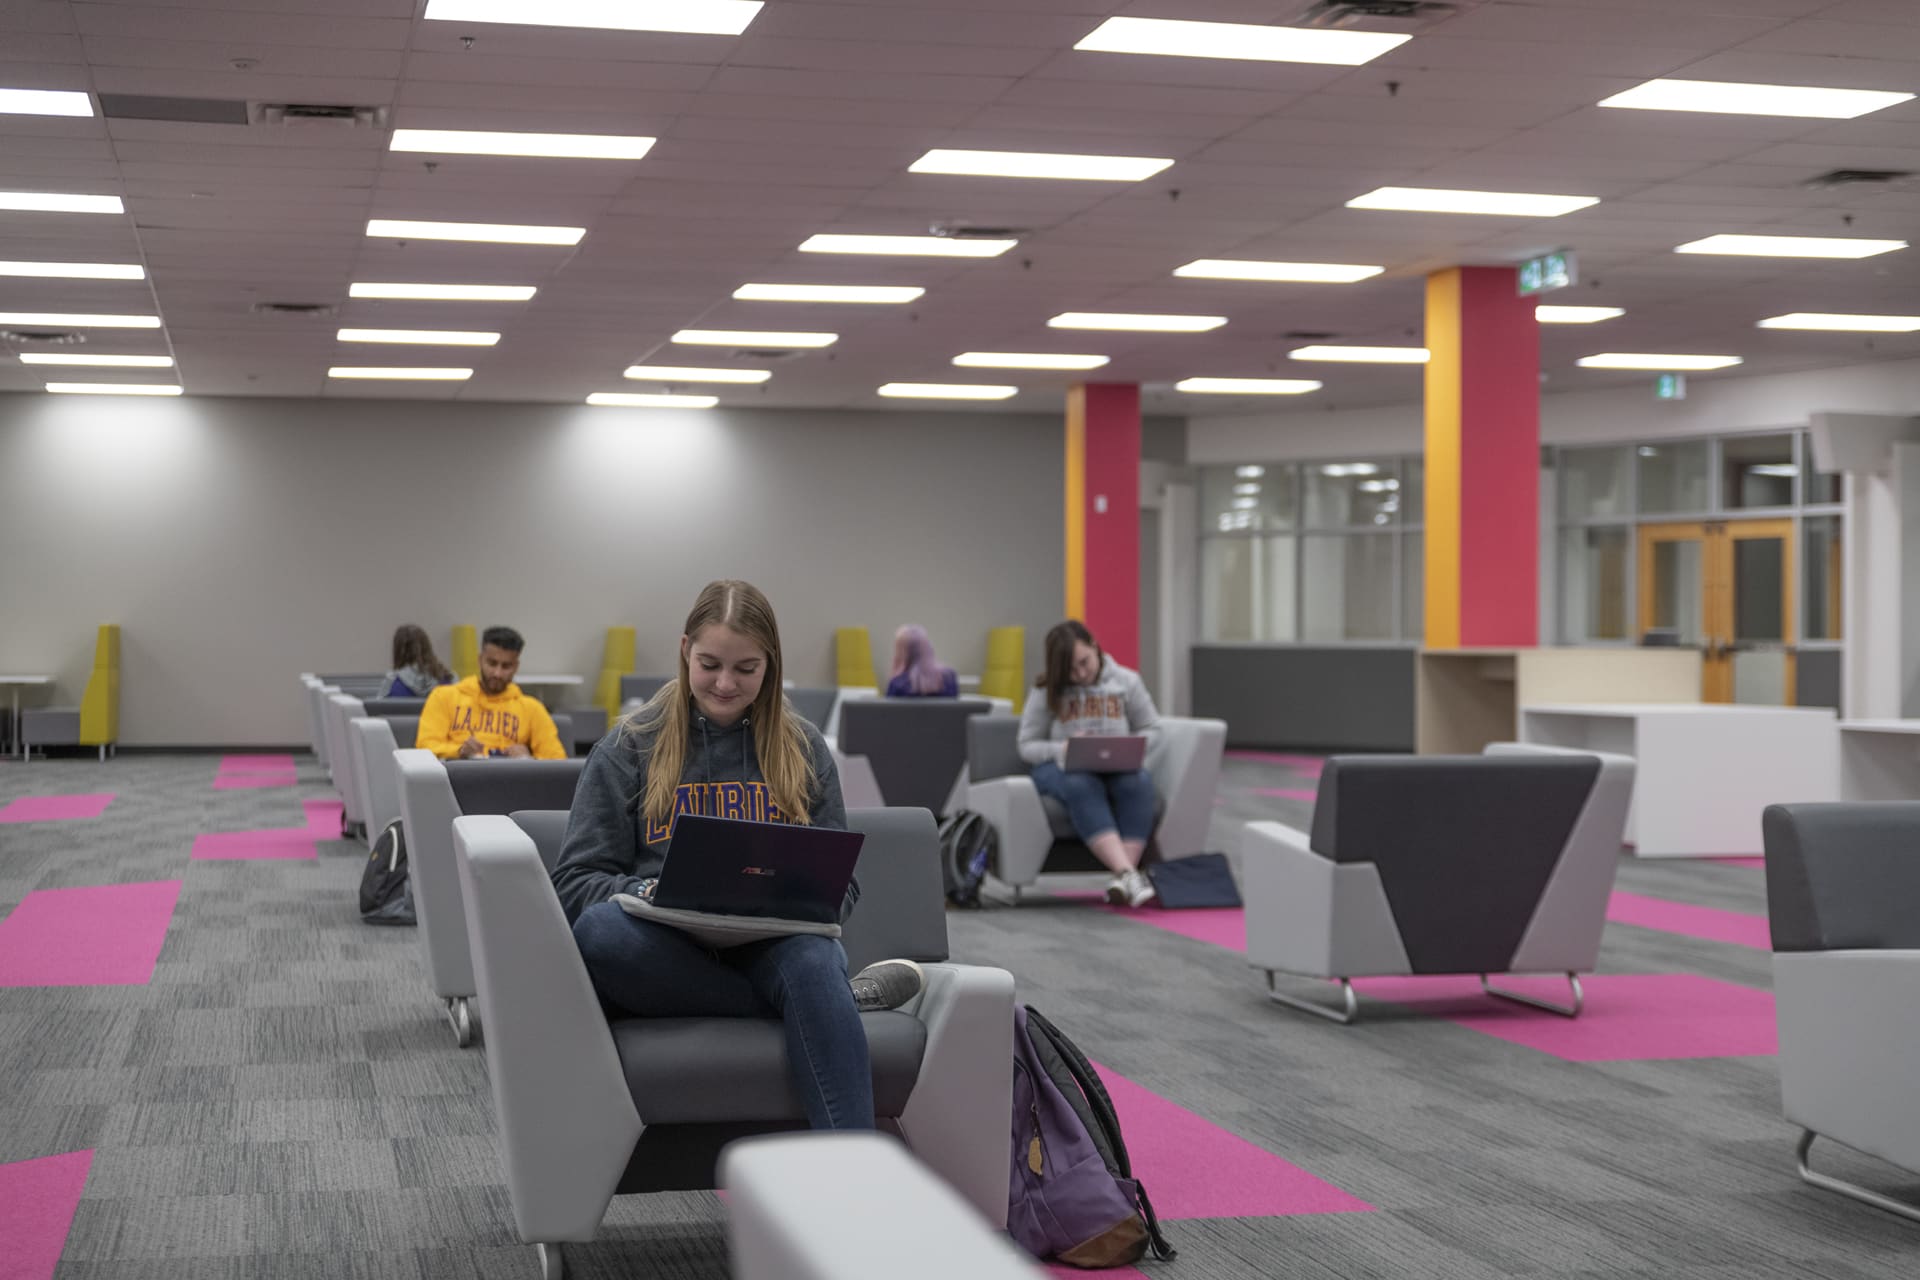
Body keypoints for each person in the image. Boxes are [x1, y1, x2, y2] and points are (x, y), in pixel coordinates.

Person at [551, 580, 926, 1131]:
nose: (725, 683)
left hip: (773, 943)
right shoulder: (629, 746)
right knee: (601, 935)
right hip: (663, 947)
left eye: (746, 669)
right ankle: (835, 1002)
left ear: (769, 665)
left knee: (813, 961)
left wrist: (804, 898)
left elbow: (842, 889)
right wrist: (643, 892)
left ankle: (858, 1177)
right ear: (684, 652)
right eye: (709, 664)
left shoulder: (803, 747)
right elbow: (575, 882)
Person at [1018, 619, 1162, 908]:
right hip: (1061, 769)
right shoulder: (1046, 690)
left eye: (1085, 662)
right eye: (1071, 670)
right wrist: (1063, 749)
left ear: (1095, 646)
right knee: (1080, 784)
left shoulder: (1127, 681)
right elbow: (1026, 746)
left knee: (1140, 783)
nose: (1080, 674)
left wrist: (1128, 747)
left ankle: (1124, 877)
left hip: (1116, 767)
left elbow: (1153, 729)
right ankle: (1128, 873)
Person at [415, 625, 566, 760]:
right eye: (492, 663)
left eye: (506, 666)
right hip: (457, 780)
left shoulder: (532, 709)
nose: (497, 673)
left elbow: (557, 759)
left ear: (516, 667)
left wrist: (529, 759)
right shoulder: (443, 697)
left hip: (512, 784)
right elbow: (424, 747)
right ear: (480, 660)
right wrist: (458, 751)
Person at [380, 624, 453, 699]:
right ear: (427, 647)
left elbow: (377, 708)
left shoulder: (391, 684)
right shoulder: (449, 679)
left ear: (398, 651)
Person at [885, 623, 958, 698]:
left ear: (900, 653)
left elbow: (887, 709)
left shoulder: (897, 684)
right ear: (927, 648)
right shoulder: (949, 678)